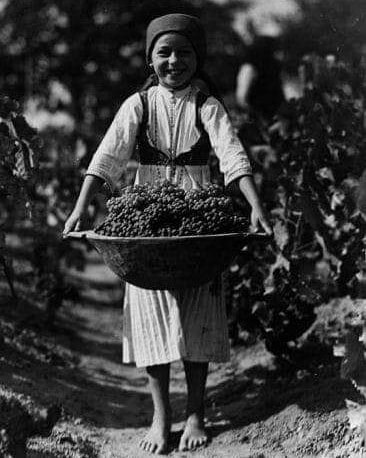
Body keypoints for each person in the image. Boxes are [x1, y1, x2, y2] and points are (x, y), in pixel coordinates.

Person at [63, 13, 272, 454]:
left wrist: (255, 206)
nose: (174, 61)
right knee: (149, 315)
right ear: (150, 58)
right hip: (149, 216)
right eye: (164, 52)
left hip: (198, 214)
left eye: (184, 52)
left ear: (198, 59)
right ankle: (162, 415)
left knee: (199, 311)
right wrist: (81, 207)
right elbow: (107, 157)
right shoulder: (138, 104)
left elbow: (232, 157)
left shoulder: (207, 105)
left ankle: (196, 411)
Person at [235, 35, 285, 123]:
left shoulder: (272, 68)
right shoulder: (250, 67)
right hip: (261, 116)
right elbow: (241, 98)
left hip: (274, 115)